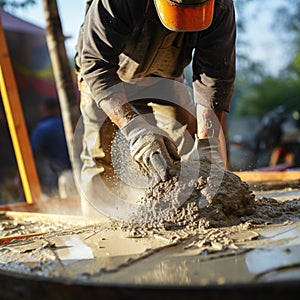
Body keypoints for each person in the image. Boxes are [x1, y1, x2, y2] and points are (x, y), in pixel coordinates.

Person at [75, 0, 236, 217]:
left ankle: (193, 212)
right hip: (106, 77)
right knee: (99, 154)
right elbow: (96, 64)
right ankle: (101, 227)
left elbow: (215, 75)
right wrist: (135, 130)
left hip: (166, 76)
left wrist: (209, 145)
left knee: (189, 139)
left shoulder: (221, 6)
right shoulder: (117, 2)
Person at [30, 97, 72, 197]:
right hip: (80, 173)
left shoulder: (41, 129)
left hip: (60, 177)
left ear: (42, 110)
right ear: (57, 109)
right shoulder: (68, 123)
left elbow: (32, 153)